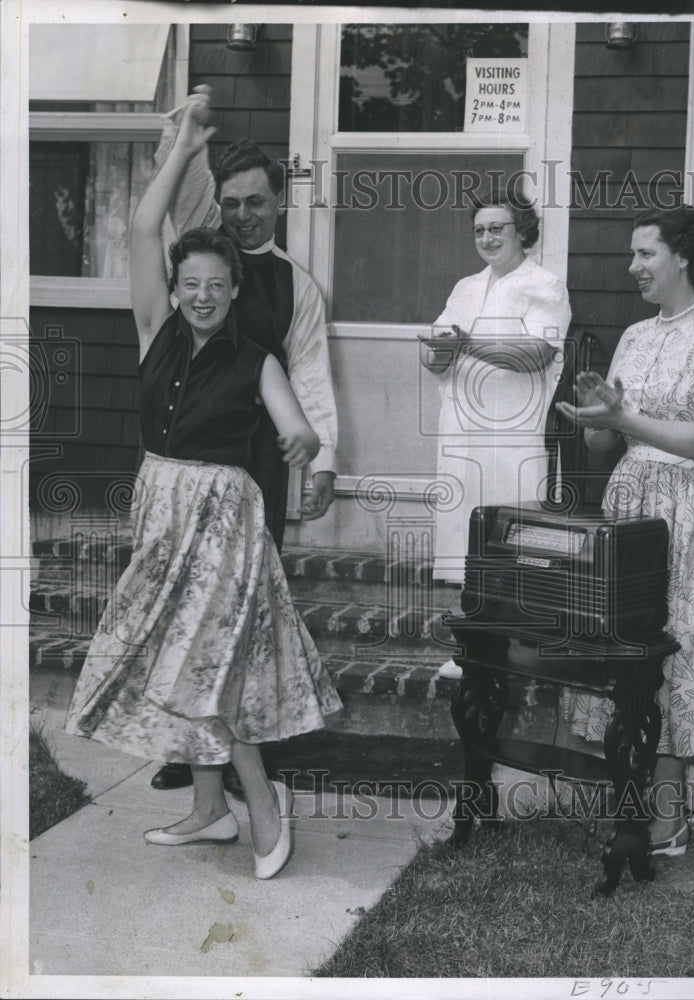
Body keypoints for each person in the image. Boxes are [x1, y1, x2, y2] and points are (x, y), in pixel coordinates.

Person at [64, 99, 342, 879]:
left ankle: (262, 807)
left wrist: (308, 449)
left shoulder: (265, 339)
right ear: (178, 284)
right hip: (163, 511)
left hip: (229, 514)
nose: (204, 295)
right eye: (193, 284)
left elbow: (303, 406)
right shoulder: (155, 327)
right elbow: (143, 227)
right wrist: (183, 145)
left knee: (214, 662)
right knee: (184, 658)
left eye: (216, 284)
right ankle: (210, 809)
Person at [555, 206, 694, 894]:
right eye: (631, 254)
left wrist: (624, 417)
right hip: (635, 507)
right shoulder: (634, 335)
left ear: (682, 256)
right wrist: (598, 417)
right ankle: (669, 821)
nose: (633, 266)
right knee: (644, 666)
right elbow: (607, 442)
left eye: (645, 253)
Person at [149, 86, 339, 792]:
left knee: (250, 611)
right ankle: (186, 746)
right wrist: (188, 131)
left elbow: (313, 376)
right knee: (183, 608)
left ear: (278, 202)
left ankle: (257, 743)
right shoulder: (204, 265)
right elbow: (169, 205)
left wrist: (321, 466)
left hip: (256, 464)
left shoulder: (296, 287)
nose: (241, 214)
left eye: (255, 201)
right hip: (191, 460)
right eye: (231, 203)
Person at [420, 189, 571, 677]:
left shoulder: (545, 285)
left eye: (497, 228)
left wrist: (466, 343)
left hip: (512, 437)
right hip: (463, 433)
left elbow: (536, 355)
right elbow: (434, 353)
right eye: (479, 229)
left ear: (522, 231)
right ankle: (473, 651)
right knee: (467, 539)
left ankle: (517, 651)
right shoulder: (465, 286)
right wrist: (440, 350)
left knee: (512, 541)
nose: (486, 237)